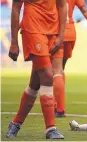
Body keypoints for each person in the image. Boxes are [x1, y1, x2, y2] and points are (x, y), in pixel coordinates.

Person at [6, 0, 67, 139]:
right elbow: (16, 8)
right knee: (47, 75)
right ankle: (50, 128)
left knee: (35, 83)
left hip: (52, 32)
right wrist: (14, 42)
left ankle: (15, 123)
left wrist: (61, 35)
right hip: (32, 29)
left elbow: (63, 5)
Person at [54, 0, 87, 117]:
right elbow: (85, 10)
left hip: (56, 31)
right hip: (70, 32)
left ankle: (59, 108)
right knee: (60, 69)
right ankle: (57, 105)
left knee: (56, 71)